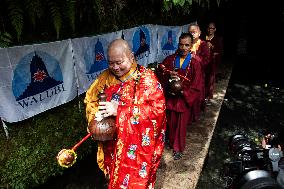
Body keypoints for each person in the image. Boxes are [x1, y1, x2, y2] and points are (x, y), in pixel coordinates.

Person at [84, 39, 166, 189]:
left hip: (136, 149)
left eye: (119, 62)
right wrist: (95, 118)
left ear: (131, 57)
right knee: (112, 177)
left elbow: (157, 112)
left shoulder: (146, 79)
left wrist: (119, 110)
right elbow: (91, 100)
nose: (115, 67)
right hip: (111, 142)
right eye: (110, 63)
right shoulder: (104, 79)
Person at [156, 33, 203, 160]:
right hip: (170, 96)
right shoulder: (170, 59)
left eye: (186, 45)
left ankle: (178, 148)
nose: (183, 48)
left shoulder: (195, 63)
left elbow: (197, 84)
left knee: (181, 125)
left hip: (183, 97)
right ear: (178, 44)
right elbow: (160, 73)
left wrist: (183, 92)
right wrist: (166, 74)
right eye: (181, 44)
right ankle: (170, 141)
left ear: (191, 45)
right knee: (170, 121)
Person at [188, 22, 210, 118]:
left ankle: (195, 114)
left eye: (194, 32)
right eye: (190, 32)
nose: (192, 34)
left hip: (199, 74)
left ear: (199, 33)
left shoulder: (203, 45)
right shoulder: (186, 43)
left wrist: (194, 56)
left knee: (197, 94)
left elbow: (206, 60)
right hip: (187, 73)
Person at [205, 22, 223, 99]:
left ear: (215, 29)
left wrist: (212, 47)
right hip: (204, 61)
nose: (210, 30)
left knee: (210, 79)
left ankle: (209, 95)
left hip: (212, 62)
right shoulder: (204, 38)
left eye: (212, 28)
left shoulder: (217, 39)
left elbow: (219, 52)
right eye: (209, 28)